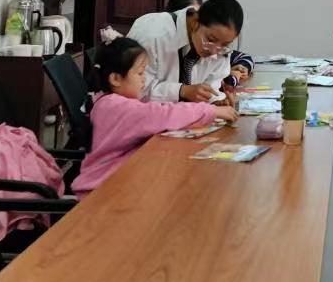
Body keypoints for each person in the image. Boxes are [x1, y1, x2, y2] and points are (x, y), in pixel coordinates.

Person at [73, 36, 238, 195]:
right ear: (116, 79)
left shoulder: (109, 102)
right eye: (140, 73)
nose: (144, 79)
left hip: (115, 183)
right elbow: (163, 113)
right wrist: (212, 111)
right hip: (100, 192)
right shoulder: (115, 106)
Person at [130, 0, 245, 104]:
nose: (214, 51)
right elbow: (137, 91)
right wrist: (182, 91)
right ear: (195, 23)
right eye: (211, 39)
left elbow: (211, 86)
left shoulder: (221, 50)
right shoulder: (152, 34)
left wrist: (215, 101)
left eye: (225, 44)